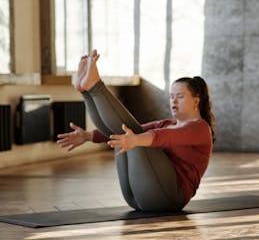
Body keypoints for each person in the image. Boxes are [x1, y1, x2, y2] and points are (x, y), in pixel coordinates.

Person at [57, 50, 215, 212]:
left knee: (135, 136)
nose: (173, 101)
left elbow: (166, 137)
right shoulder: (167, 123)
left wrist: (137, 140)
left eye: (180, 96)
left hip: (169, 198)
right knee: (128, 134)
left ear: (196, 101)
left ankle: (95, 87)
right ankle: (87, 91)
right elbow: (137, 130)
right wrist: (88, 136)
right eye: (171, 96)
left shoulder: (200, 128)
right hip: (136, 197)